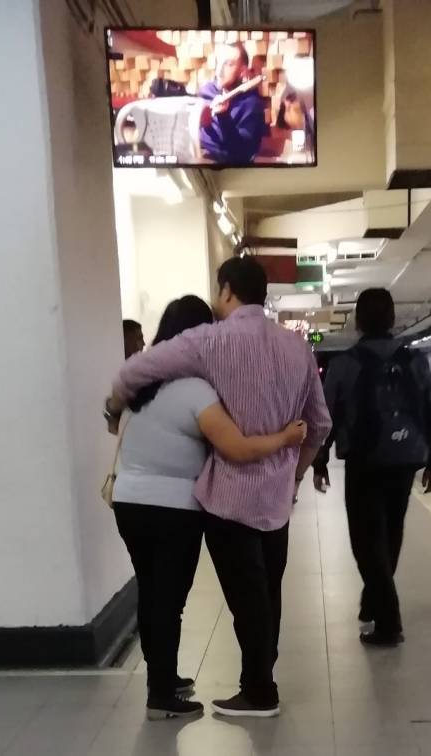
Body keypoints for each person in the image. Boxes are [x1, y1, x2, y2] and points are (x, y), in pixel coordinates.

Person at [107, 258, 331, 718]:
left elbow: (132, 374)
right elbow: (320, 424)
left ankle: (258, 691)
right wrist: (295, 473)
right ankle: (259, 680)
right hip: (276, 499)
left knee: (243, 598)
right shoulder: (297, 347)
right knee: (268, 592)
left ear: (226, 290)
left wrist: (114, 408)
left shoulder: (208, 341)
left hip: (229, 497)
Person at [312, 289, 431, 647]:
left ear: (358, 322)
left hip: (365, 460)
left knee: (364, 539)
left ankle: (388, 621)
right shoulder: (414, 361)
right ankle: (374, 600)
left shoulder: (345, 364)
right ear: (391, 320)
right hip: (406, 459)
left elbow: (324, 417)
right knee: (390, 533)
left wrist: (319, 460)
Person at [198, 44, 267, 164]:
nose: (219, 70)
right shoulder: (207, 91)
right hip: (196, 160)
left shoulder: (252, 105)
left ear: (242, 71)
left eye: (228, 64)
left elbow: (241, 155)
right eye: (218, 62)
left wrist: (223, 117)